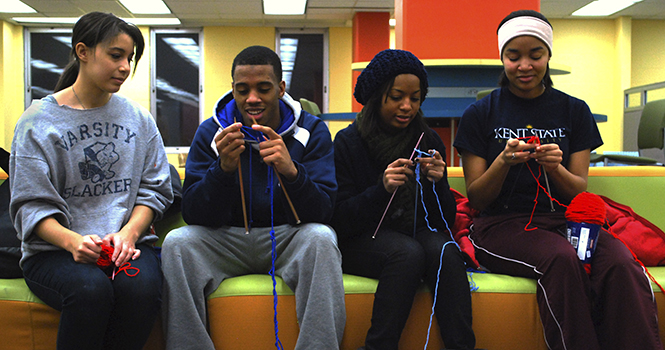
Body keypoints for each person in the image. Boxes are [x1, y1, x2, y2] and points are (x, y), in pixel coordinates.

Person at [454, 9, 662, 350]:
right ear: (501, 58)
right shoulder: (480, 114)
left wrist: (555, 168)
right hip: (500, 225)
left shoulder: (573, 110)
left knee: (622, 263)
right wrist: (503, 162)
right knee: (561, 258)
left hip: (566, 220)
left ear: (548, 55)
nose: (525, 66)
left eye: (535, 55)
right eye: (513, 56)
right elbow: (477, 199)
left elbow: (578, 189)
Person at [160, 45, 345, 350]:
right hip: (227, 241)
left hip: (286, 239)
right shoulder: (211, 133)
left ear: (281, 88)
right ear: (232, 89)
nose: (252, 99)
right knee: (178, 243)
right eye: (242, 89)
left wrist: (291, 172)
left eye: (263, 88)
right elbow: (193, 212)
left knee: (322, 237)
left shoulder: (311, 132)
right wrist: (223, 170)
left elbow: (324, 211)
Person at [9, 12, 173, 350]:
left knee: (142, 291)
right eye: (116, 55)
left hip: (126, 247)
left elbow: (154, 189)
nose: (126, 67)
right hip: (54, 251)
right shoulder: (38, 122)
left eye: (130, 58)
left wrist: (129, 234)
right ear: (83, 51)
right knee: (90, 291)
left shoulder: (139, 119)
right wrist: (72, 242)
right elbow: (31, 205)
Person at [332, 49, 479, 350]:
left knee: (447, 252)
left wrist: (437, 183)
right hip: (360, 239)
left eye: (415, 98)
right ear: (376, 95)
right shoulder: (349, 142)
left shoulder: (427, 140)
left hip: (414, 234)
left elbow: (443, 221)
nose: (407, 106)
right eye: (397, 96)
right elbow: (339, 219)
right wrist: (381, 189)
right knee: (407, 253)